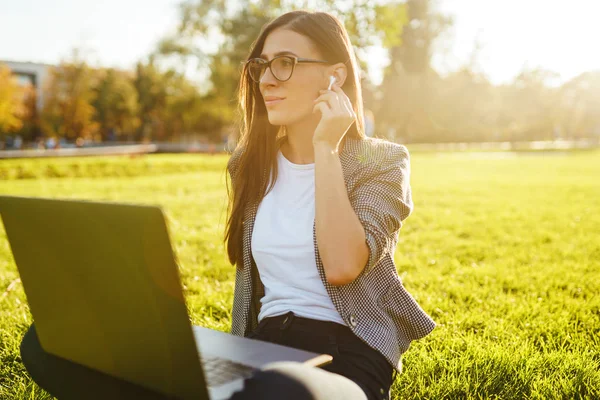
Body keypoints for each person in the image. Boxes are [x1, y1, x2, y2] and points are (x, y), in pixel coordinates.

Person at [19, 10, 435, 400]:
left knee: (278, 389)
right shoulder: (249, 165)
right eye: (261, 65)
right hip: (259, 349)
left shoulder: (382, 161)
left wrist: (326, 148)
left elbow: (343, 266)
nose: (266, 80)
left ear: (334, 76)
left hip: (346, 358)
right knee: (53, 341)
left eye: (285, 62)